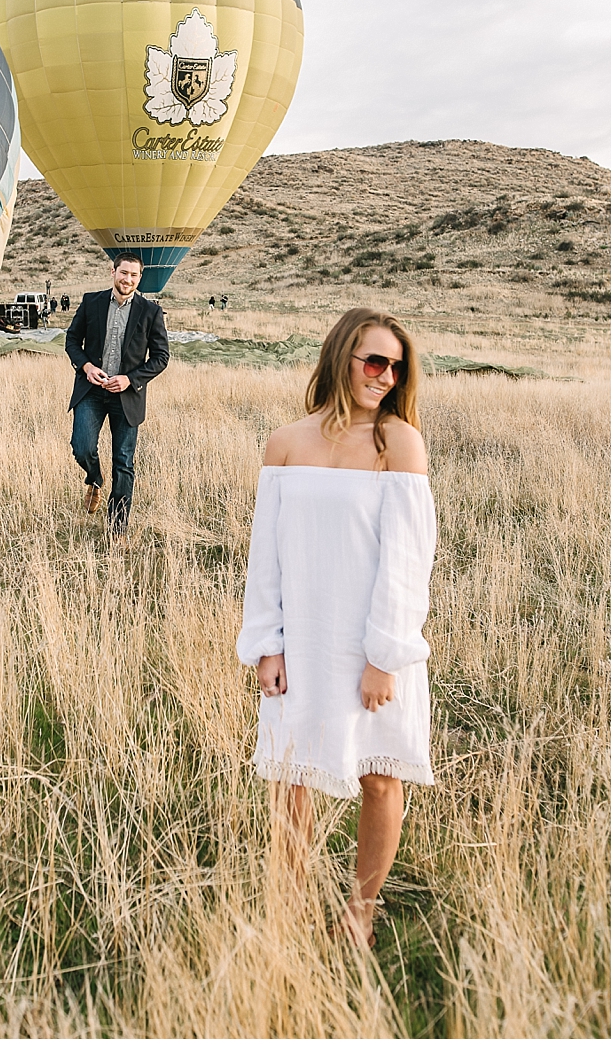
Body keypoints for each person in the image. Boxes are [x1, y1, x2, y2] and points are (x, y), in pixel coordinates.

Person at [236, 307, 435, 950]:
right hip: (306, 641)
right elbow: (263, 554)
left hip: (372, 642)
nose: (385, 376)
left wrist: (385, 655)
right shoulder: (286, 442)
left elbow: (408, 560)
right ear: (342, 356)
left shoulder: (397, 441)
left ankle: (359, 913)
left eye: (395, 367)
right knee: (294, 781)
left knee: (379, 776)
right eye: (374, 361)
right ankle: (287, 916)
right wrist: (267, 643)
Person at [65, 253, 169, 535]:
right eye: (124, 273)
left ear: (140, 278)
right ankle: (95, 479)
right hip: (92, 391)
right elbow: (72, 340)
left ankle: (117, 529)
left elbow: (161, 357)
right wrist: (86, 366)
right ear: (112, 272)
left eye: (134, 275)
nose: (128, 279)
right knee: (82, 446)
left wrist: (129, 379)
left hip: (127, 396)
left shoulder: (151, 312)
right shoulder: (91, 302)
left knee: (123, 462)